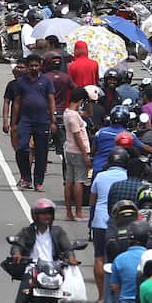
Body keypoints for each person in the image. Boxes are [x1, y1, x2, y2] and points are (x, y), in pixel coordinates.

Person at [0, 198, 92, 303]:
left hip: (54, 271)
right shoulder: (27, 232)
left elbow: (67, 247)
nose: (46, 216)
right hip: (32, 271)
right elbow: (18, 245)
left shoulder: (58, 232)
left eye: (49, 213)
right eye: (42, 213)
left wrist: (71, 257)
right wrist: (17, 254)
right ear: (35, 215)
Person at [89, 148, 130, 303]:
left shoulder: (100, 176)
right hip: (121, 223)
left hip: (100, 221)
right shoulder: (127, 177)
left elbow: (92, 201)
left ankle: (101, 296)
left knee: (100, 257)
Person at [9, 53, 56, 191]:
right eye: (31, 66)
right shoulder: (21, 82)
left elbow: (51, 100)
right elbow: (16, 102)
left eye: (36, 65)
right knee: (22, 147)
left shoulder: (46, 81)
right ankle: (26, 177)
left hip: (42, 121)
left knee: (41, 152)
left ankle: (39, 182)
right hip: (26, 120)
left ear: (40, 66)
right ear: (28, 67)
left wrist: (53, 120)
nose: (34, 68)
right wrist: (13, 123)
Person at [61, 92, 91, 220]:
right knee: (79, 181)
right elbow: (77, 136)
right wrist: (85, 154)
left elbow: (88, 114)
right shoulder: (73, 117)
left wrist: (90, 102)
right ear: (80, 101)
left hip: (69, 150)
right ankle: (78, 212)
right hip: (77, 151)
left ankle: (69, 212)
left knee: (69, 181)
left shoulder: (68, 113)